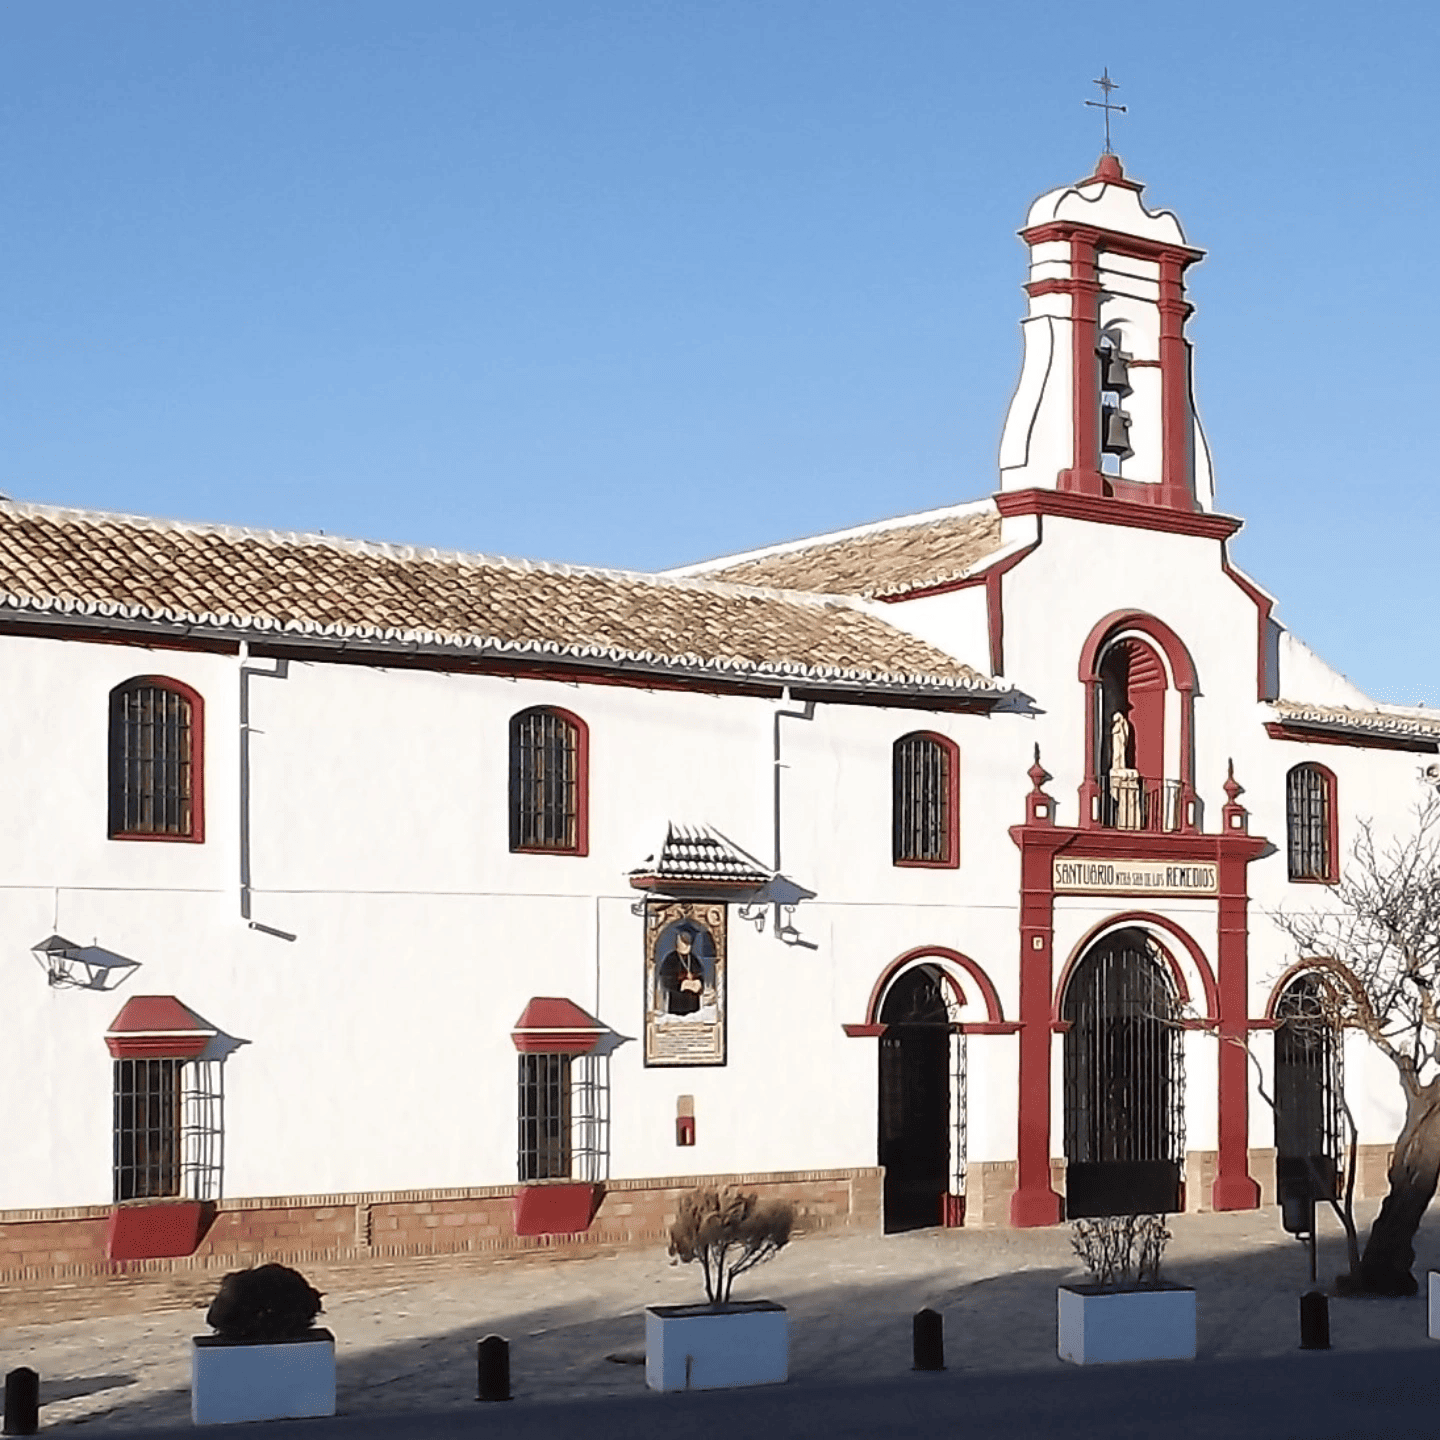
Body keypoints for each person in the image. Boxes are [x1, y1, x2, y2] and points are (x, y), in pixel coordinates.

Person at [657, 923, 707, 1016]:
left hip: (694, 1008)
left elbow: (701, 976)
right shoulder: (670, 959)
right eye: (683, 941)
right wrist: (682, 984)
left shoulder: (694, 959)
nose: (685, 945)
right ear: (678, 941)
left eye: (688, 942)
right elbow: (665, 981)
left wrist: (698, 984)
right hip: (676, 1007)